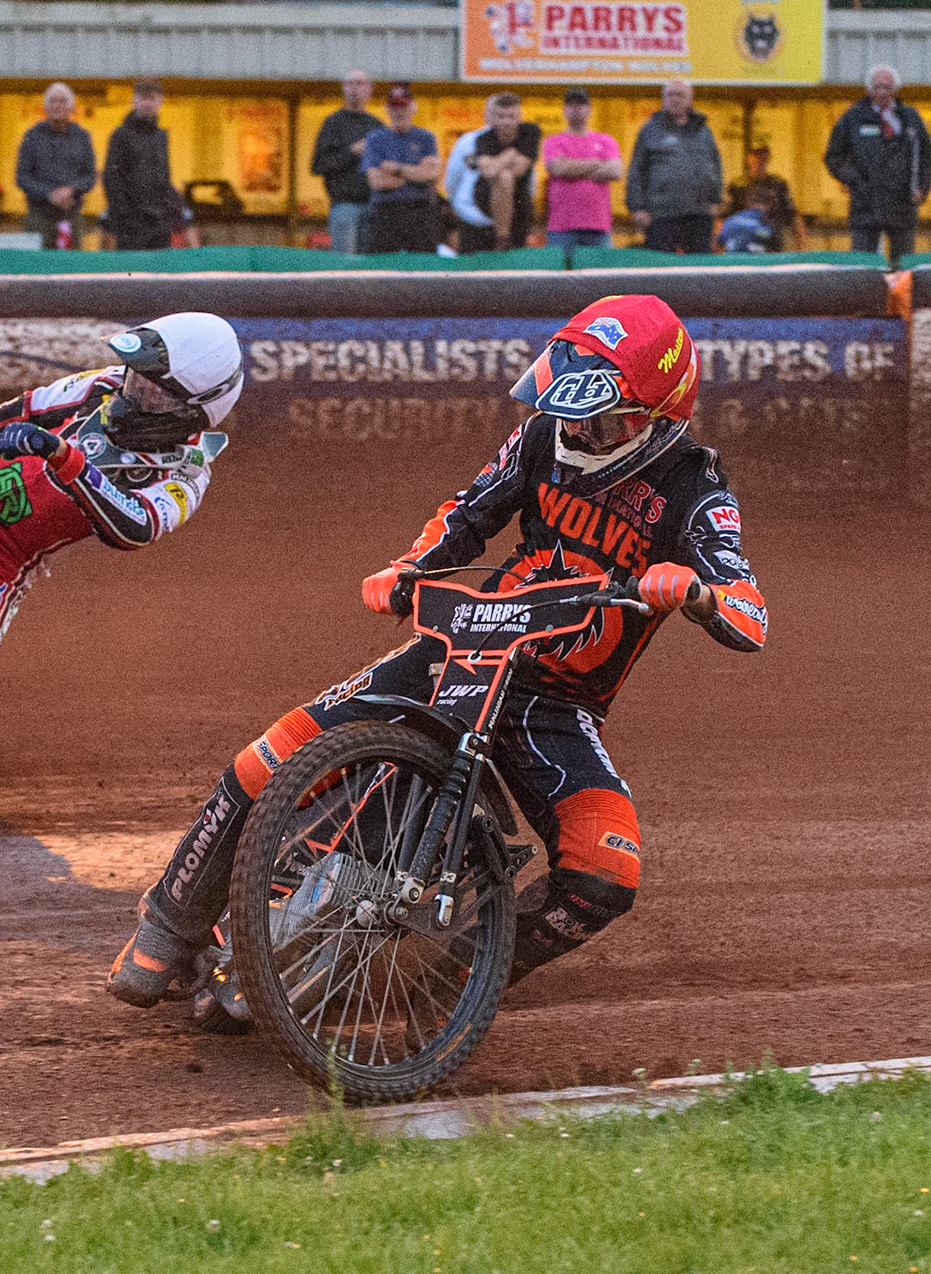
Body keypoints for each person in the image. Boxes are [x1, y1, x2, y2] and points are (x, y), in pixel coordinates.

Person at [108, 293, 767, 1011]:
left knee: (607, 872)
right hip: (467, 646)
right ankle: (167, 929)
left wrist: (698, 593)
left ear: (657, 414)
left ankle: (454, 980)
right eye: (574, 406)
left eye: (604, 417)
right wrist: (408, 568)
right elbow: (468, 512)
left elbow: (749, 610)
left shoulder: (696, 489)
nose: (582, 428)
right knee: (268, 757)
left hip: (556, 702)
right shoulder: (542, 436)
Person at [0, 313, 243, 661]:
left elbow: (136, 528)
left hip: (0, 556)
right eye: (136, 378)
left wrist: (64, 457)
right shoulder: (102, 385)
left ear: (193, 409)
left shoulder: (185, 474)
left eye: (154, 393)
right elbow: (24, 409)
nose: (134, 392)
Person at [823, 64, 931, 265]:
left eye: (887, 87)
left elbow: (927, 158)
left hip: (902, 206)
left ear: (896, 89)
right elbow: (833, 156)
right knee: (862, 267)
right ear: (869, 89)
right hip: (865, 206)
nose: (882, 92)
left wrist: (922, 188)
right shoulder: (853, 117)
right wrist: (853, 179)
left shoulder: (910, 117)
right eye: (877, 87)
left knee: (903, 268)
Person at [625, 79, 722, 254]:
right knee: (662, 269)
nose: (675, 99)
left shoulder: (704, 131)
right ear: (663, 99)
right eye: (670, 95)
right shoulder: (650, 130)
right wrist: (637, 207)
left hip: (699, 214)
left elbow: (715, 165)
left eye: (680, 95)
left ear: (690, 100)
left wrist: (716, 200)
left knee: (700, 272)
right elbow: (636, 170)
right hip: (661, 215)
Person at [103, 80, 189, 251]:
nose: (147, 103)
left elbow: (164, 178)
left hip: (159, 224)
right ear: (134, 101)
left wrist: (170, 208)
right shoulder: (121, 135)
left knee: (160, 275)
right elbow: (111, 179)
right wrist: (124, 215)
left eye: (152, 98)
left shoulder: (161, 137)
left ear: (160, 102)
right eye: (143, 98)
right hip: (131, 225)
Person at [359, 83, 443, 254]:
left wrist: (397, 169)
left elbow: (431, 174)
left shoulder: (425, 138)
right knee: (382, 267)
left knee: (423, 266)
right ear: (387, 109)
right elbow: (376, 181)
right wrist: (415, 173)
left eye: (403, 106)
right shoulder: (375, 139)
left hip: (420, 210)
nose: (399, 111)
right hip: (386, 211)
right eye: (394, 106)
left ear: (413, 108)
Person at [16, 82, 98, 250]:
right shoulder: (31, 137)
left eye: (62, 101)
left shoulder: (83, 137)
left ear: (71, 107)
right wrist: (49, 194)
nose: (57, 106)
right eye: (52, 101)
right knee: (37, 269)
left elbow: (90, 176)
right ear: (45, 107)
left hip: (72, 217)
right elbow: (22, 177)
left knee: (72, 270)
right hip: (39, 218)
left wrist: (70, 190)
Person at [311, 70, 384, 255]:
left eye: (360, 84)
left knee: (369, 265)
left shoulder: (376, 125)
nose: (354, 89)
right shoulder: (333, 123)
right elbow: (318, 166)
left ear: (369, 89)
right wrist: (352, 152)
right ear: (343, 88)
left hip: (373, 205)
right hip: (344, 205)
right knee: (345, 264)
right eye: (350, 83)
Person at [541, 87, 620, 249]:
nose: (575, 108)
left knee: (601, 273)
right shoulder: (554, 141)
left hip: (598, 227)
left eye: (581, 104)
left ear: (590, 110)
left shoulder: (606, 140)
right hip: (562, 227)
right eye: (570, 104)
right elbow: (558, 168)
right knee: (561, 273)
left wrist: (572, 168)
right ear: (564, 110)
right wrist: (595, 163)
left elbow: (615, 171)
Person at [464, 91, 542, 251]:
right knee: (505, 176)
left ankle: (505, 239)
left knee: (506, 176)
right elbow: (488, 172)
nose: (506, 122)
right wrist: (511, 154)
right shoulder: (484, 138)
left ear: (519, 116)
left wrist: (497, 161)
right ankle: (502, 237)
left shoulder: (530, 132)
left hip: (519, 200)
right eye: (501, 116)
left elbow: (520, 169)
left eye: (511, 116)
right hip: (486, 197)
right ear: (493, 118)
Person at [724, 145, 804, 252]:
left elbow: (794, 216)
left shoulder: (778, 185)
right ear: (748, 158)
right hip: (742, 247)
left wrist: (801, 247)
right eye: (755, 155)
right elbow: (722, 217)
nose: (759, 159)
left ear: (768, 158)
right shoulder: (736, 186)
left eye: (763, 155)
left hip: (772, 246)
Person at [446, 115, 493, 251]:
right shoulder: (468, 141)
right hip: (470, 217)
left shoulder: (518, 143)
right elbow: (453, 179)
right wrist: (460, 206)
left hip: (505, 223)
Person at [715, 191, 779, 253]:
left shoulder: (731, 219)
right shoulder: (762, 222)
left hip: (731, 259)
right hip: (754, 259)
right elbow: (768, 235)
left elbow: (720, 238)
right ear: (767, 205)